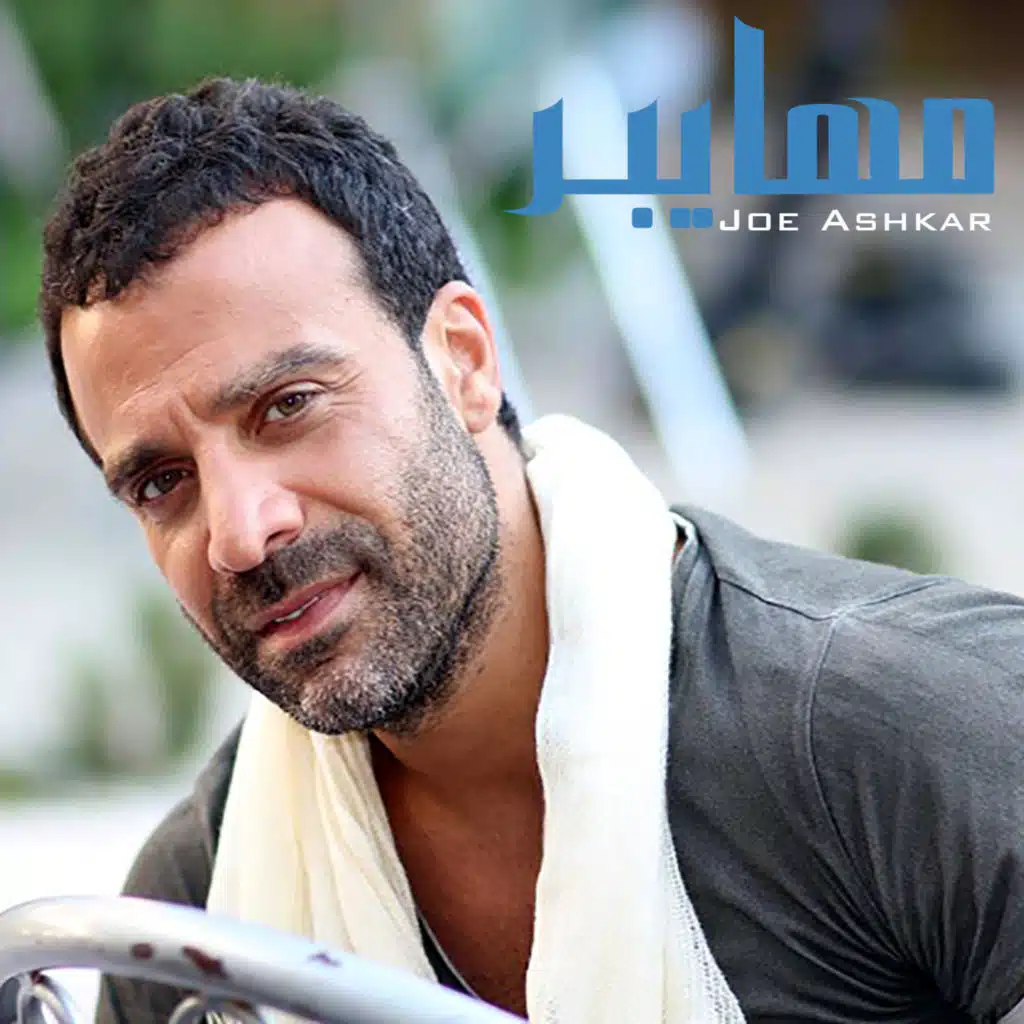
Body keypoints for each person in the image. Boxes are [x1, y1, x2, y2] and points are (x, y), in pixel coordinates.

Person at [37, 77, 1023, 1024]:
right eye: (161, 482)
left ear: (463, 361)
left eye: (287, 406)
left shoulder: (892, 732)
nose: (242, 531)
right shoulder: (201, 917)